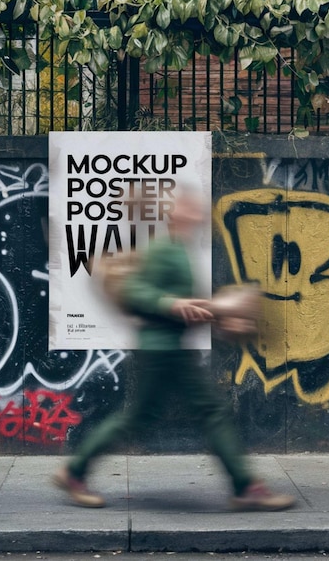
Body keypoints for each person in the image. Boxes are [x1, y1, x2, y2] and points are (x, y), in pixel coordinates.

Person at [53, 187, 295, 511]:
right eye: (189, 208)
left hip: (169, 348)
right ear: (175, 214)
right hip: (163, 351)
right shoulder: (163, 248)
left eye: (197, 209)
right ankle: (245, 486)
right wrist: (173, 302)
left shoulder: (179, 248)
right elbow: (137, 290)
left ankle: (74, 472)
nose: (197, 213)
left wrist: (216, 315)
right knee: (208, 412)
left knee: (142, 417)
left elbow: (180, 309)